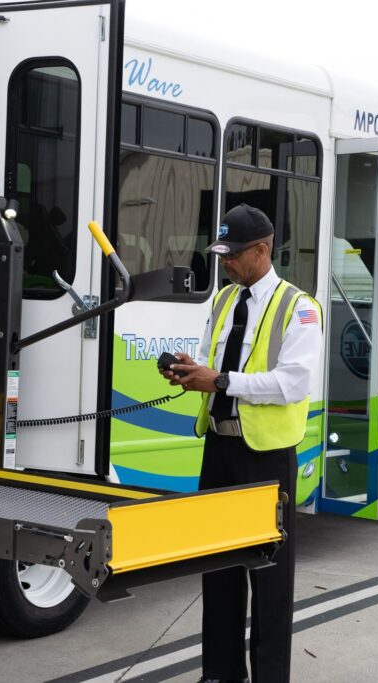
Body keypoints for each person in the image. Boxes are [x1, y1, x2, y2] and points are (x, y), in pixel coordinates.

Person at [159, 204, 323, 683]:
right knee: (219, 572)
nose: (224, 263)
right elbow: (215, 365)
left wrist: (222, 381)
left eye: (232, 255)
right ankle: (220, 676)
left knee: (269, 582)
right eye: (221, 253)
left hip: (266, 459)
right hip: (219, 448)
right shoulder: (224, 301)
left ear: (262, 250)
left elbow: (292, 382)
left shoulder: (300, 308)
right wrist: (193, 371)